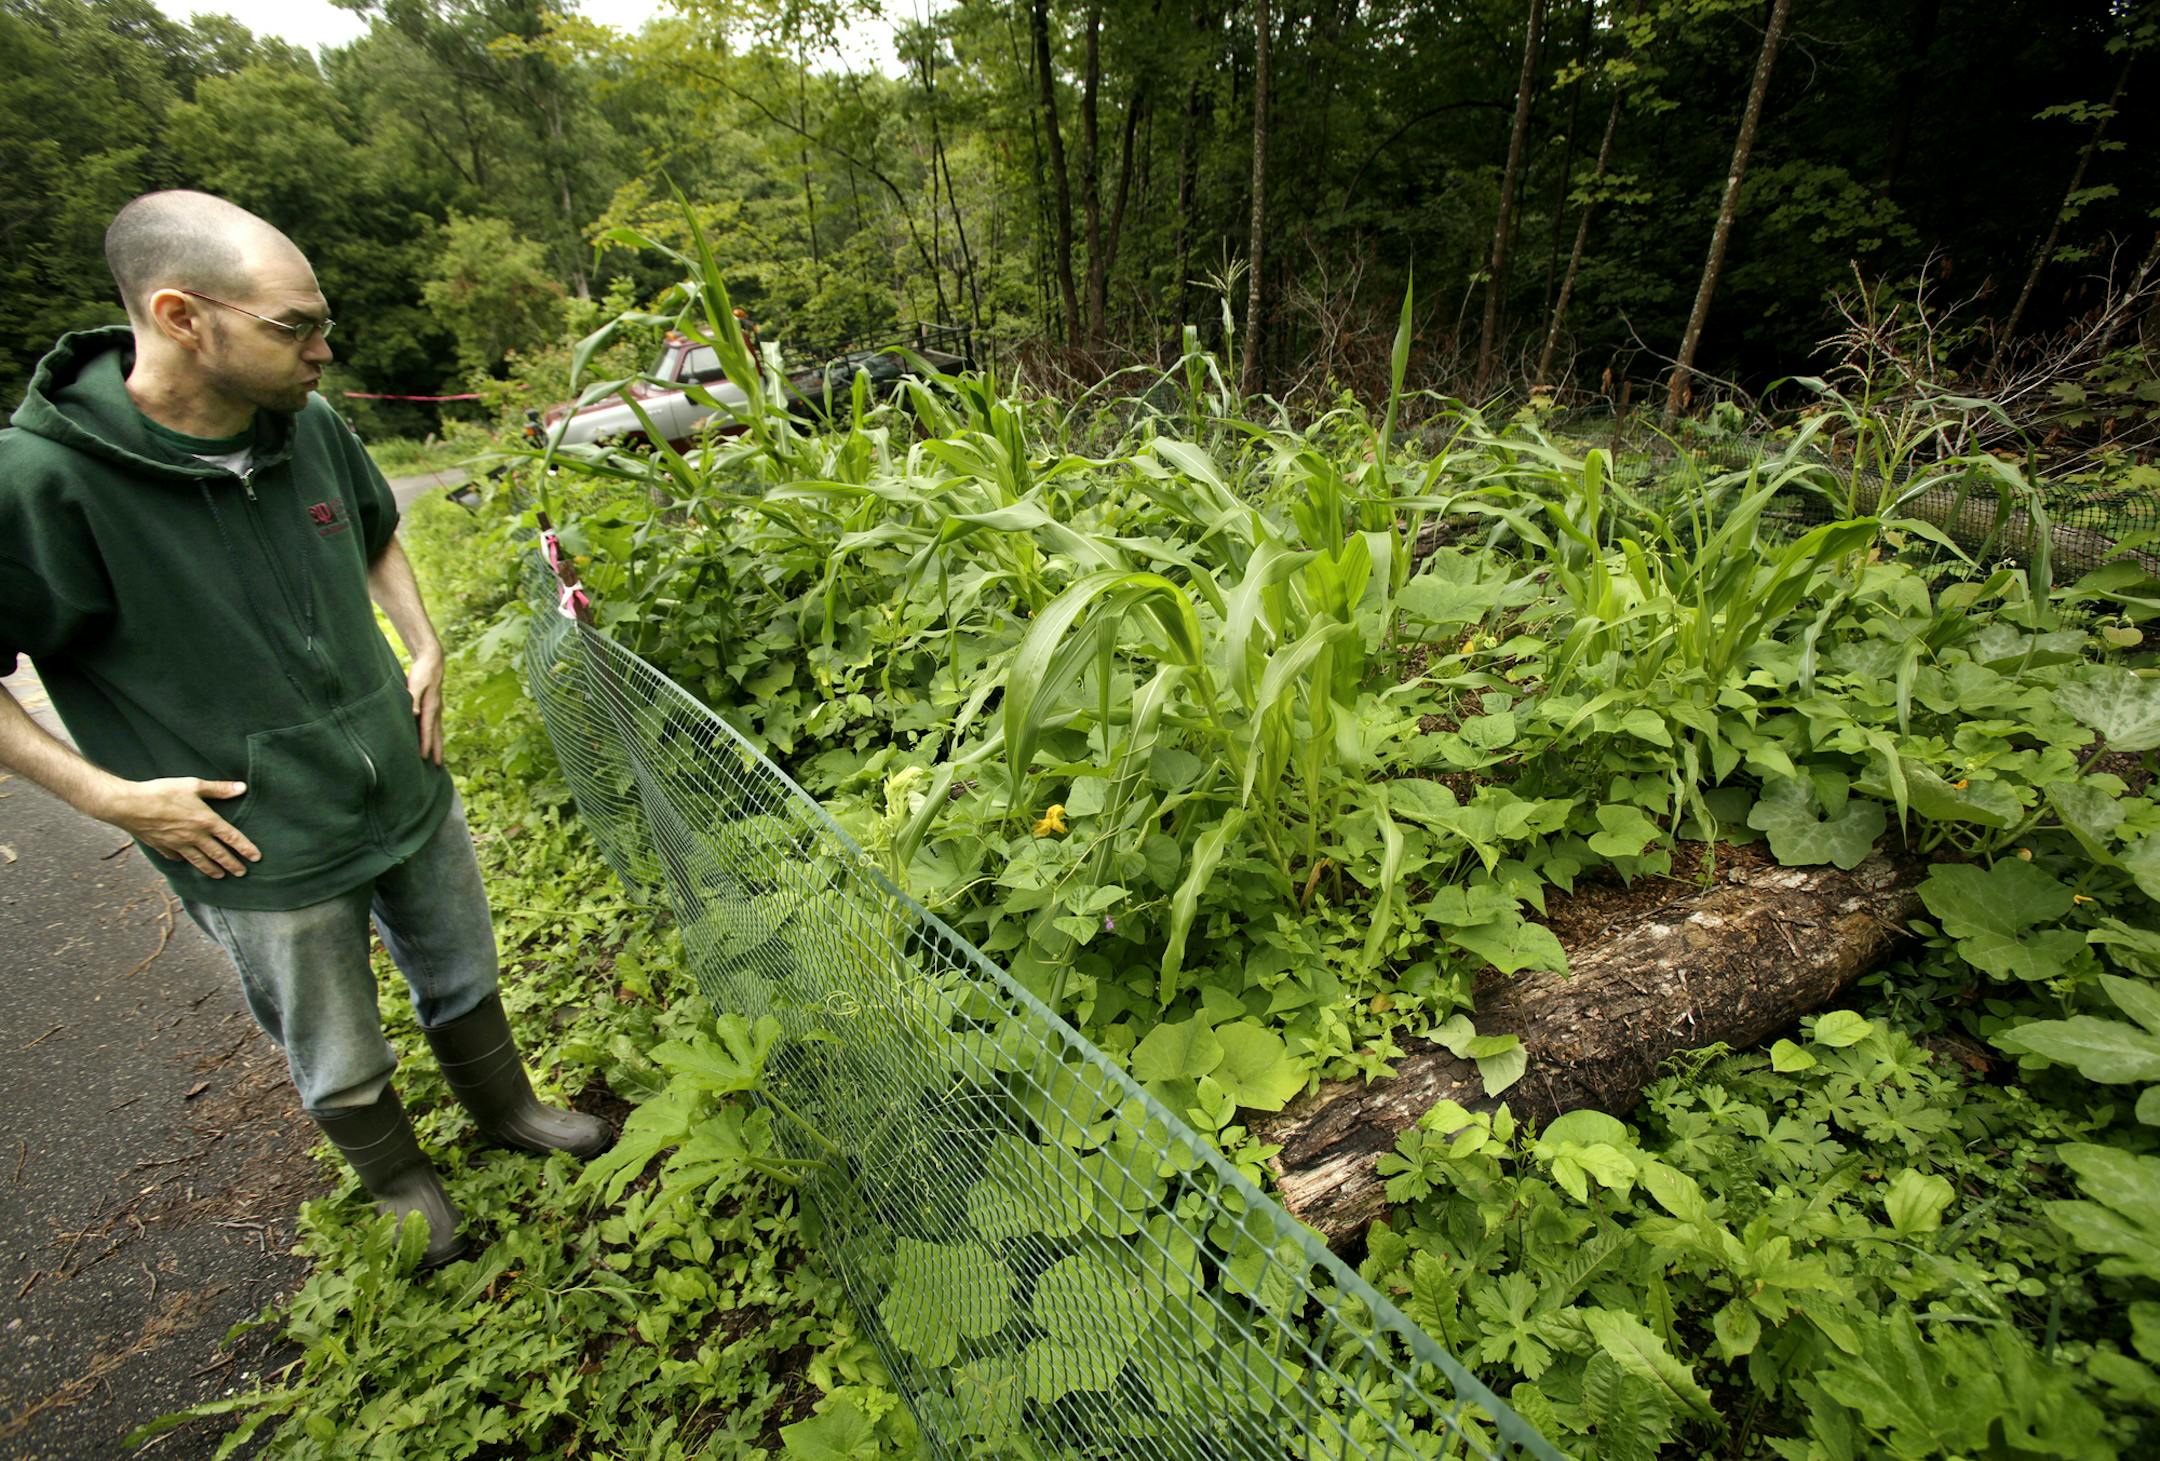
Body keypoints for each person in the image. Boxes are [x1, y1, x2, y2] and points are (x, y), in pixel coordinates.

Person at [0, 191, 609, 1267]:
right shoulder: (40, 482)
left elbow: (376, 533)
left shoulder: (310, 426)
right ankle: (399, 1184)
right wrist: (112, 798)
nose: (324, 350)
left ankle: (510, 1111)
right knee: (330, 1031)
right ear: (183, 316)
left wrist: (422, 642)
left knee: (461, 966)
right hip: (253, 834)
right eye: (295, 326)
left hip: (399, 780)